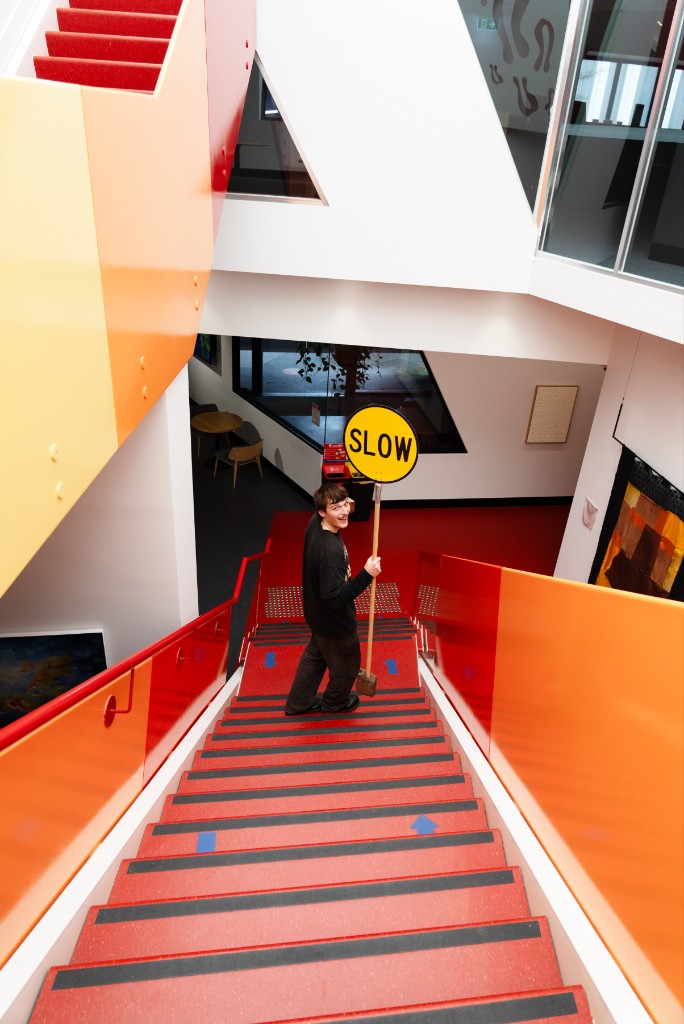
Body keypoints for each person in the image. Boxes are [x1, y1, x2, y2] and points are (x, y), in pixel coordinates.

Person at [284, 482, 381, 716]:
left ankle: (298, 703)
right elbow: (336, 598)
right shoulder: (330, 552)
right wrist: (367, 575)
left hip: (316, 615)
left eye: (345, 504)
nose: (344, 511)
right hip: (335, 623)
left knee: (315, 657)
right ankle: (334, 704)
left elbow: (340, 504)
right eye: (336, 508)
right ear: (322, 511)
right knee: (347, 668)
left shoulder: (314, 523)